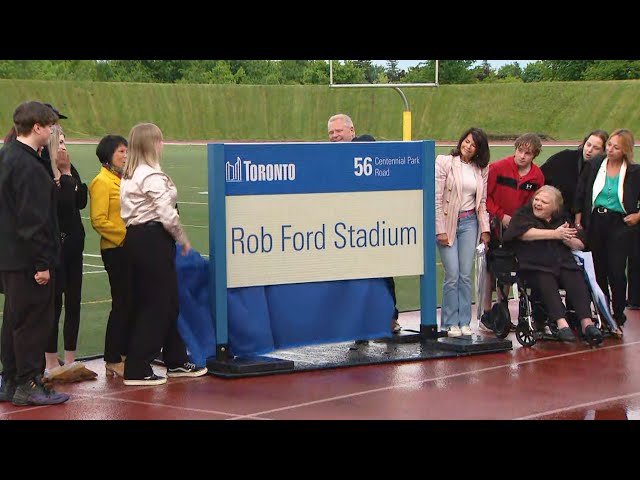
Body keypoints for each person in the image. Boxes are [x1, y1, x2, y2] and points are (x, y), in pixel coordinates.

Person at [119, 123, 207, 385]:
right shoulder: (151, 176)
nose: (162, 145)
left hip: (138, 239)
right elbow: (166, 212)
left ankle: (176, 359)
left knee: (166, 301)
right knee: (158, 303)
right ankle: (137, 365)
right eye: (159, 140)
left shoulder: (131, 174)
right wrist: (182, 238)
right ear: (151, 145)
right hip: (153, 240)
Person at [0, 101, 69, 405]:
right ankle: (29, 382)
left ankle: (12, 379)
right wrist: (42, 263)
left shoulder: (9, 156)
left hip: (12, 257)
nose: (54, 130)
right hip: (28, 260)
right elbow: (33, 220)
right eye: (50, 125)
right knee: (31, 322)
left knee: (14, 320)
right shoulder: (28, 166)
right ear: (37, 127)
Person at [327, 113, 401, 333]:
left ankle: (390, 318)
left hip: (374, 227)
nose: (334, 136)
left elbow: (367, 143)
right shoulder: (330, 159)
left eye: (338, 131)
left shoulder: (365, 144)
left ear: (352, 130)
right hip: (347, 230)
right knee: (352, 278)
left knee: (382, 273)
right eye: (331, 133)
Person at [503, 186, 603, 344]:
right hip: (534, 265)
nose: (538, 204)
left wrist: (564, 237)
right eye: (537, 199)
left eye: (544, 202)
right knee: (545, 278)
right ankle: (561, 323)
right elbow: (522, 234)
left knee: (575, 275)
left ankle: (587, 323)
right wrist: (554, 234)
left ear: (555, 207)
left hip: (561, 262)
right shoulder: (523, 215)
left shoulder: (562, 219)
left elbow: (579, 245)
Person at [42, 125, 96, 381]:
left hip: (75, 244)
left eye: (65, 141)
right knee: (55, 304)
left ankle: (71, 359)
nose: (64, 146)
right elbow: (64, 206)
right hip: (56, 246)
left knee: (74, 301)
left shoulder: (68, 169)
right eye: (59, 142)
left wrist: (69, 179)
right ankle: (50, 361)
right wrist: (66, 178)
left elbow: (81, 201)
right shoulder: (45, 170)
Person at [575, 129, 640, 327]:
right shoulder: (595, 164)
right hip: (595, 220)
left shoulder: (634, 171)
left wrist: (637, 216)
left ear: (625, 150)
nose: (610, 150)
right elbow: (582, 191)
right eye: (609, 145)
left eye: (616, 147)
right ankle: (604, 314)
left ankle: (618, 312)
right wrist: (579, 221)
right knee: (598, 269)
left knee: (617, 270)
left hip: (620, 223)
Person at [480, 133, 545, 331]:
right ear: (515, 149)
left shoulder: (537, 177)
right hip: (494, 225)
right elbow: (486, 197)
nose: (522, 156)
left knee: (507, 266)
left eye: (528, 153)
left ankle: (503, 310)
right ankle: (486, 312)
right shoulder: (498, 168)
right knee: (490, 268)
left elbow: (534, 203)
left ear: (534, 155)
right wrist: (501, 216)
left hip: (516, 229)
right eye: (520, 151)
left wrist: (518, 222)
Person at [435, 127, 491, 336]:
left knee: (466, 274)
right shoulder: (445, 162)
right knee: (452, 274)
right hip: (448, 222)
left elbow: (482, 202)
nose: (468, 146)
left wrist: (485, 229)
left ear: (479, 149)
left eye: (473, 144)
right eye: (466, 141)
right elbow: (436, 197)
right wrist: (439, 228)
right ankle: (450, 322)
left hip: (469, 223)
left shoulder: (481, 169)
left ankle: (464, 320)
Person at [89, 135, 131, 378]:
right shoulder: (101, 182)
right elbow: (99, 220)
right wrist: (126, 236)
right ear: (108, 155)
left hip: (130, 248)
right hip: (116, 249)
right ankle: (113, 357)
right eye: (121, 152)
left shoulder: (123, 179)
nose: (125, 156)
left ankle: (124, 352)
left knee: (132, 302)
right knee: (121, 302)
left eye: (127, 151)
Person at [541, 130, 609, 221]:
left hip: (586, 219)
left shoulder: (605, 170)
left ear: (604, 151)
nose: (589, 150)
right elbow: (540, 177)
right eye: (588, 145)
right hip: (556, 215)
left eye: (596, 148)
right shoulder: (564, 157)